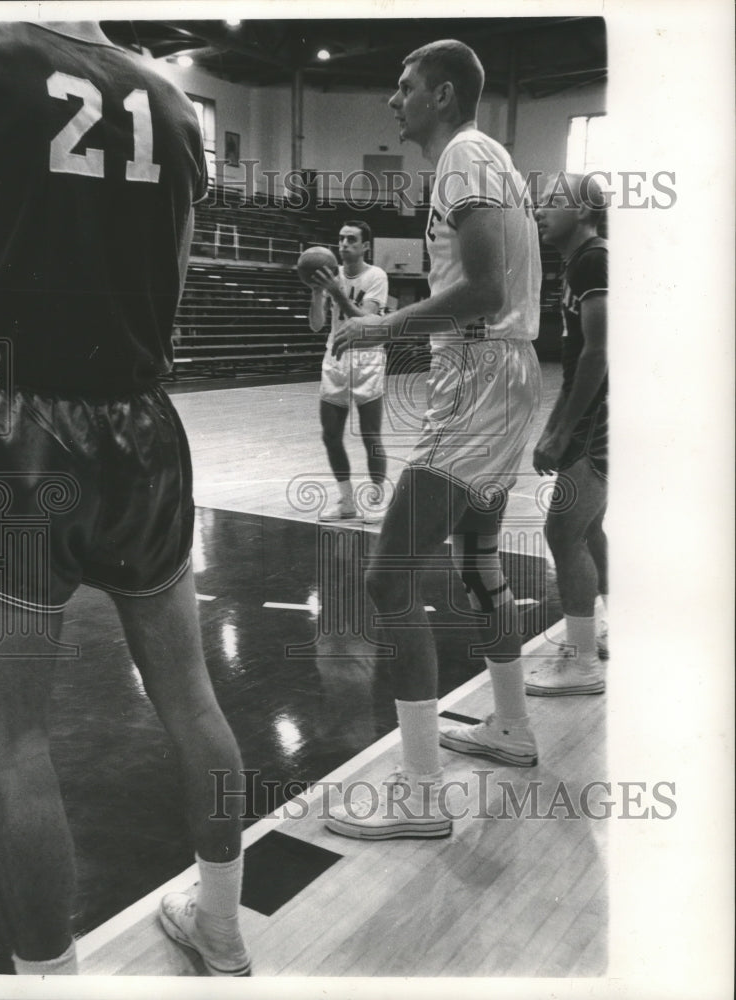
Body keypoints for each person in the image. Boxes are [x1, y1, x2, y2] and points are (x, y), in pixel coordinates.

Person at [0, 21, 250, 975]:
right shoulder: (169, 97)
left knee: (10, 744)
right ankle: (224, 931)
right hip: (146, 429)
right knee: (193, 700)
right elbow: (177, 257)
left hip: (22, 432)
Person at [323, 39, 543, 840]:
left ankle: (419, 798)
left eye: (404, 85)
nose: (393, 99)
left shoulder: (460, 156)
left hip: (480, 380)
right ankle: (510, 726)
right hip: (505, 373)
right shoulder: (491, 157)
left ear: (443, 94)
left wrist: (383, 325)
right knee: (478, 560)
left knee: (387, 582)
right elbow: (485, 287)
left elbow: (481, 287)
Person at [527, 172, 609, 695]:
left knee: (563, 532)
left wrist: (568, 431)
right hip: (596, 419)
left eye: (552, 201)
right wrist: (551, 429)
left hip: (602, 424)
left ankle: (582, 665)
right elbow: (576, 363)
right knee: (591, 531)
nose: (539, 209)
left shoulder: (594, 260)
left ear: (583, 211)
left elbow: (600, 352)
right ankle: (607, 633)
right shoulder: (577, 263)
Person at [308, 221, 389, 521]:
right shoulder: (332, 274)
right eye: (341, 239)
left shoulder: (376, 276)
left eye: (351, 240)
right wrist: (317, 293)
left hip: (367, 358)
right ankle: (346, 501)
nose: (344, 244)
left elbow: (366, 320)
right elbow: (316, 325)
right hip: (336, 357)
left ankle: (377, 498)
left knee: (371, 436)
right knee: (330, 435)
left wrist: (337, 293)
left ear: (365, 245)